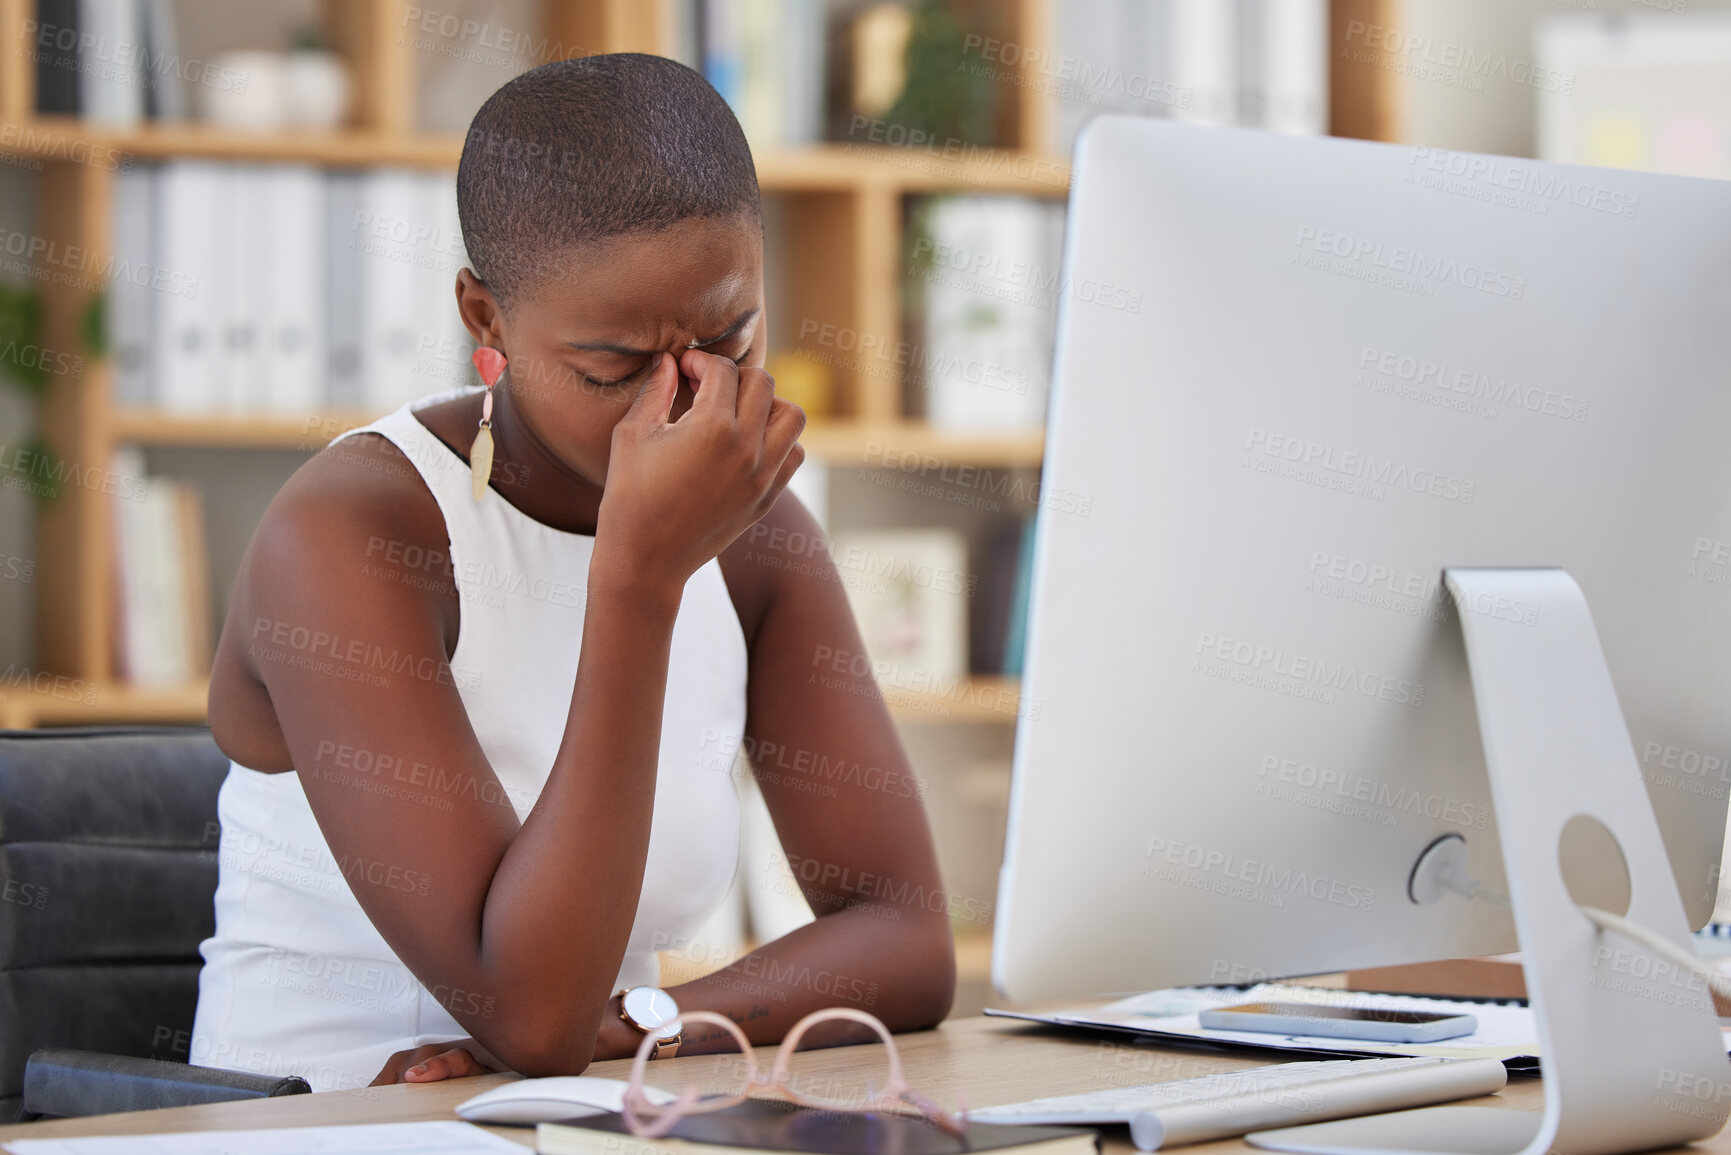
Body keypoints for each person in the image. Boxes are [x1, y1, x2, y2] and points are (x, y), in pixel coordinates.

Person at [189, 53, 955, 1091]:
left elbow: (905, 942)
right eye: (614, 370)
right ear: (487, 321)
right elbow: (533, 1015)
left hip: (595, 1112)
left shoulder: (759, 538)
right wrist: (640, 580)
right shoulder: (348, 535)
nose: (683, 404)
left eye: (729, 335)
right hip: (321, 1120)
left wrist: (652, 1021)